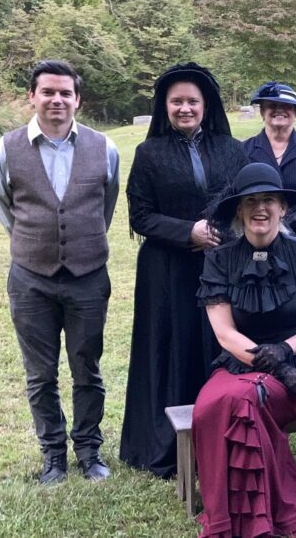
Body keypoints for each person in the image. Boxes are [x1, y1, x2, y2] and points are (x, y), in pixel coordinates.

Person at [0, 59, 120, 484]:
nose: (57, 99)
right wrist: (33, 241)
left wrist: (82, 242)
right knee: (40, 374)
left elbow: (106, 206)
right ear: (33, 96)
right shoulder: (6, 149)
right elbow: (4, 206)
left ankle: (89, 450)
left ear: (77, 99)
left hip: (88, 276)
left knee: (88, 368)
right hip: (30, 280)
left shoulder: (106, 148)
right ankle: (53, 455)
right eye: (48, 91)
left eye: (65, 93)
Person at [192, 163, 296, 536]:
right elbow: (224, 332)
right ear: (239, 211)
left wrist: (286, 353)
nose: (261, 209)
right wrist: (269, 363)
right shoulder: (220, 259)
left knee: (245, 401)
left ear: (283, 208)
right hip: (240, 364)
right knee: (212, 405)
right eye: (251, 202)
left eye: (269, 200)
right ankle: (235, 515)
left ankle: (257, 517)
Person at [120, 62, 248, 478]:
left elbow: (246, 202)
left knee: (219, 343)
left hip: (224, 266)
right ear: (165, 106)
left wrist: (226, 233)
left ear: (206, 106)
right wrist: (187, 231)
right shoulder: (148, 153)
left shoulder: (232, 149)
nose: (185, 108)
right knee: (170, 347)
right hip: (168, 271)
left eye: (193, 101)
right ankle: (166, 446)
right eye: (177, 101)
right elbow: (140, 216)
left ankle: (224, 436)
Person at [241, 81, 296, 240]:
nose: (279, 110)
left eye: (286, 106)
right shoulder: (243, 151)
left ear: (295, 112)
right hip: (256, 240)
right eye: (272, 105)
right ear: (263, 112)